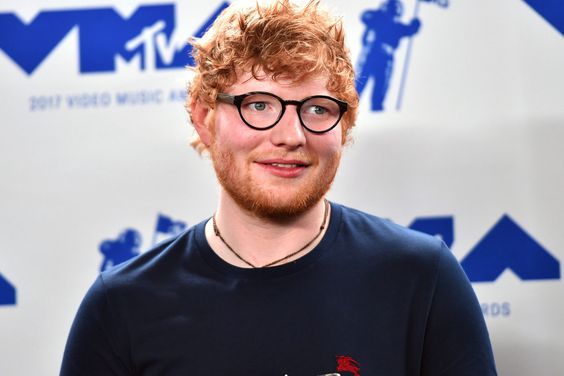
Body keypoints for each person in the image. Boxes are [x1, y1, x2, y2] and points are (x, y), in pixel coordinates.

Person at [60, 0, 497, 375]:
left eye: (318, 108)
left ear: (344, 126)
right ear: (203, 117)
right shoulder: (121, 306)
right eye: (259, 105)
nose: (291, 134)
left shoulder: (422, 278)